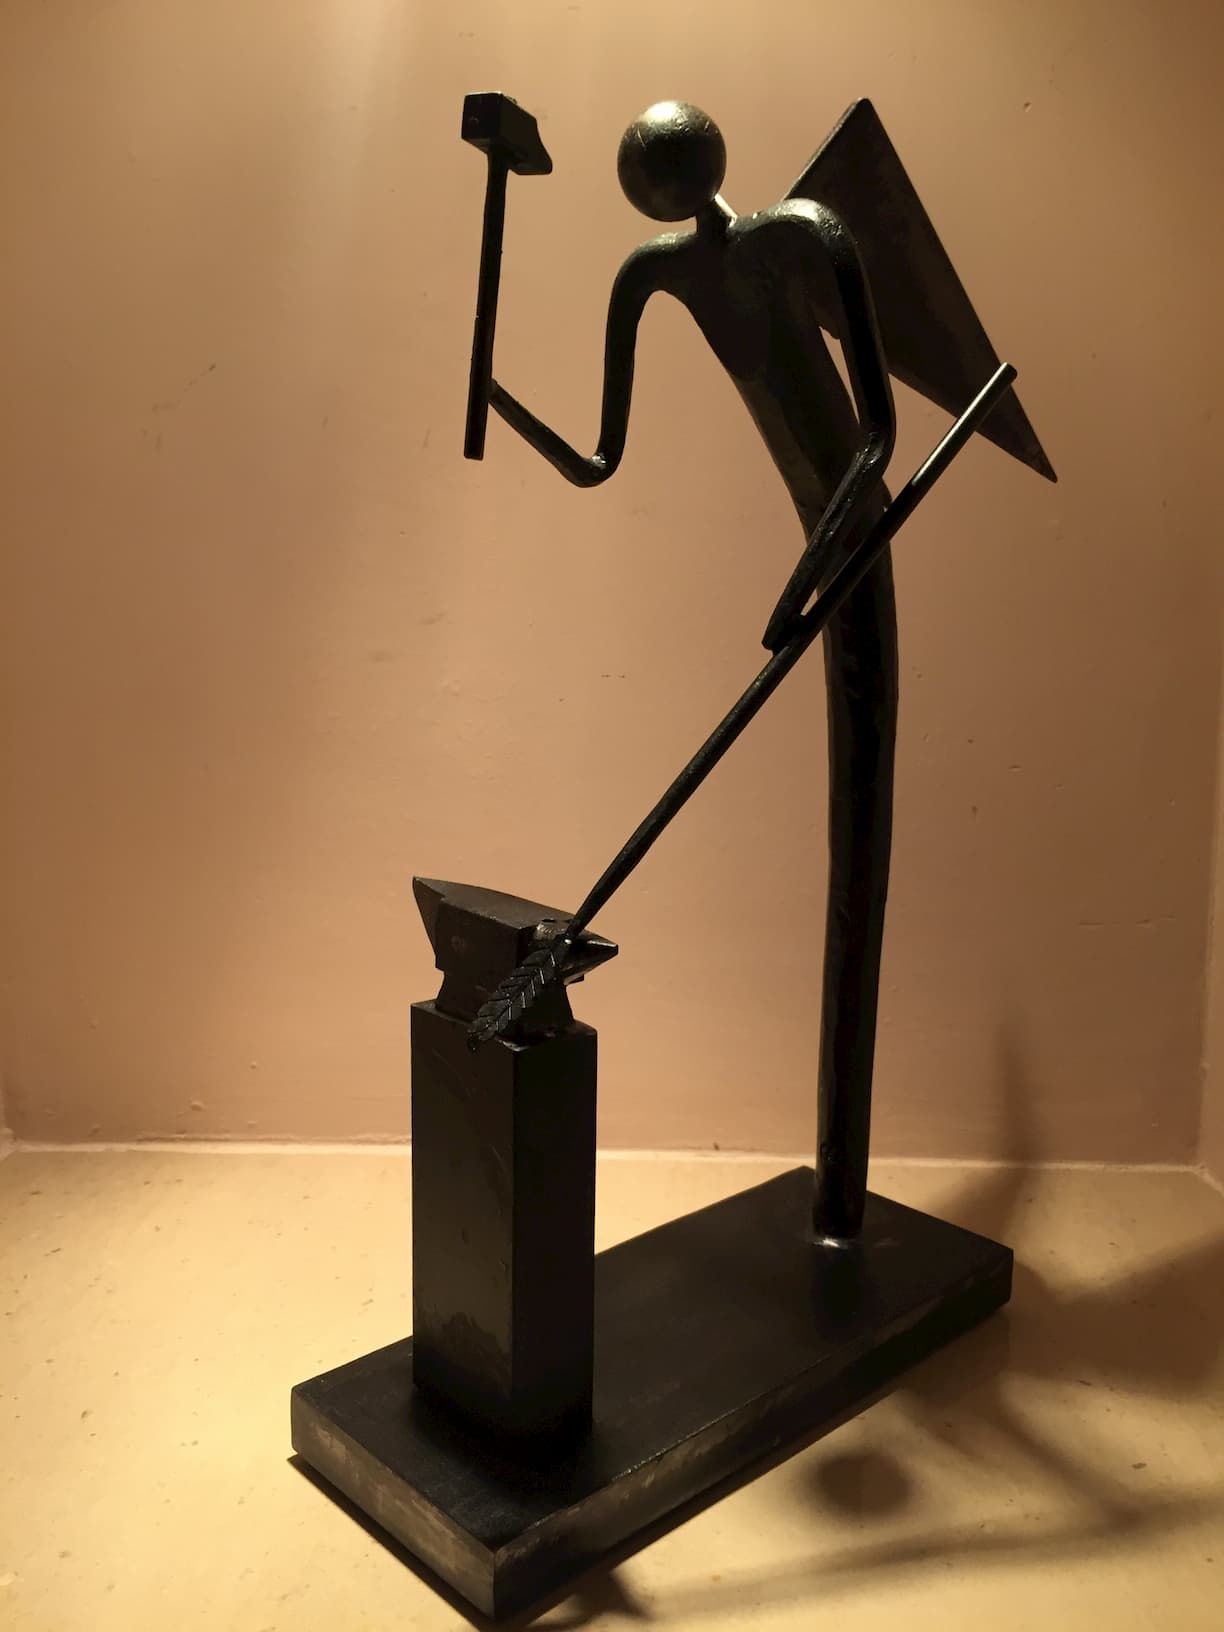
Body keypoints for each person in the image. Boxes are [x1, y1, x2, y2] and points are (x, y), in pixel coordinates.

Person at [487, 101, 900, 1243]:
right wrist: (501, 396)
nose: (659, 182)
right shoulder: (650, 271)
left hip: (852, 540)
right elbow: (598, 459)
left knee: (862, 802)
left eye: (669, 162)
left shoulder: (807, 230)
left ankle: (844, 1204)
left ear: (709, 156)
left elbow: (877, 436)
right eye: (644, 172)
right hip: (822, 555)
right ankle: (831, 1198)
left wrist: (813, 566)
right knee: (847, 812)